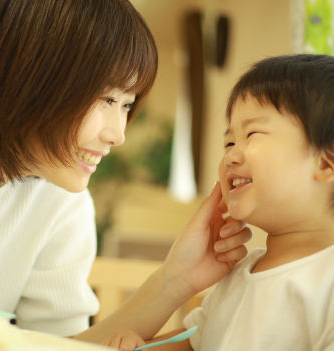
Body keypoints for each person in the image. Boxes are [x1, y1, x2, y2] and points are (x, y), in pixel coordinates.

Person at [0, 0, 252, 339]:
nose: (118, 134)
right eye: (104, 98)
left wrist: (173, 282)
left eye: (127, 105)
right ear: (27, 76)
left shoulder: (63, 200)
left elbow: (60, 346)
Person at [101, 54, 334, 351]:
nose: (231, 156)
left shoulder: (327, 281)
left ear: (327, 163)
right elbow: (193, 345)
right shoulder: (238, 273)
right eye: (229, 142)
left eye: (252, 134)